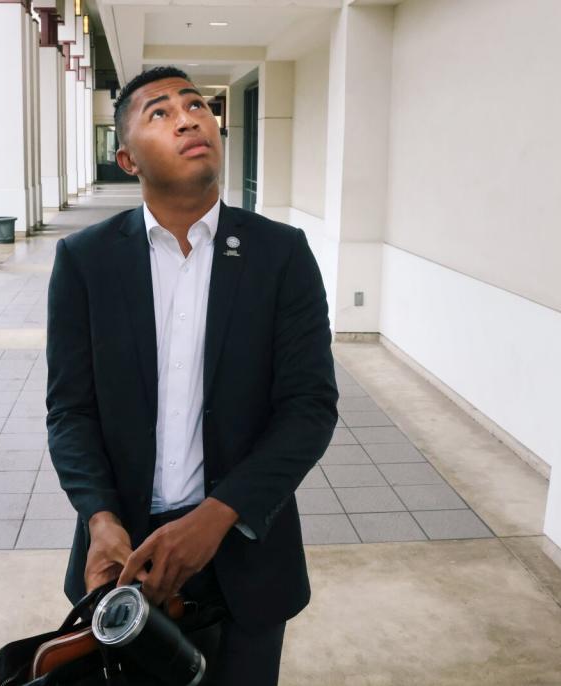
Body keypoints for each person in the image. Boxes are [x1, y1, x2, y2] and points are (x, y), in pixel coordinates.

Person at [46, 65, 338, 685]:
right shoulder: (85, 261)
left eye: (197, 104)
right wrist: (100, 518)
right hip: (124, 559)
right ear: (127, 158)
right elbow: (71, 411)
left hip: (244, 555)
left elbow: (309, 407)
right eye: (159, 111)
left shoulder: (281, 255)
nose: (187, 117)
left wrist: (216, 517)